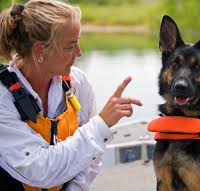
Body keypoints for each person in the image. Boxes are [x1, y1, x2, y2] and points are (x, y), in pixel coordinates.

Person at [0, 0, 142, 190]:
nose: (79, 53)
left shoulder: (77, 82)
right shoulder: (3, 99)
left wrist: (75, 188)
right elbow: (40, 170)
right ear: (40, 51)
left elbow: (92, 156)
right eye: (71, 46)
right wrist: (100, 125)